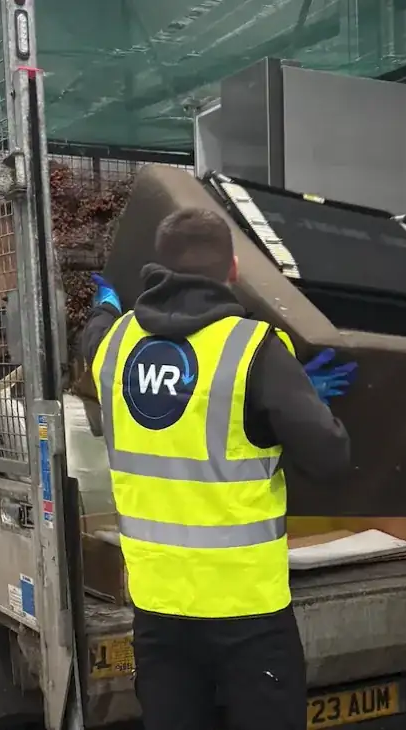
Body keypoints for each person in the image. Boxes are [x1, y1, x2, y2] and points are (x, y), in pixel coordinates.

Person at [80, 207, 357, 730]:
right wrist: (296, 400)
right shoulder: (256, 351)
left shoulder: (114, 347)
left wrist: (104, 308)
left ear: (156, 271)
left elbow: (90, 339)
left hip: (159, 612)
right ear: (232, 269)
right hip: (247, 614)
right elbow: (330, 459)